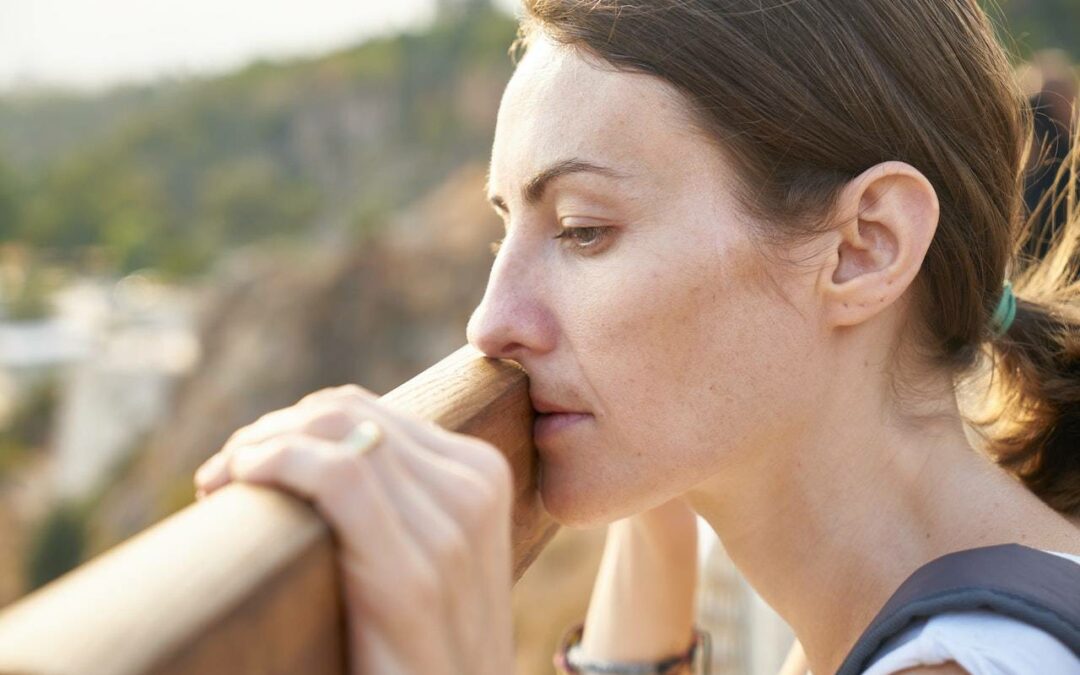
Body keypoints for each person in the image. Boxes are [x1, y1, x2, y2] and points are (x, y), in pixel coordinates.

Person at [193, 1, 1080, 674]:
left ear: (862, 248)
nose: (489, 323)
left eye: (582, 230)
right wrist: (652, 504)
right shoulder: (948, 607)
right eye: (508, 230)